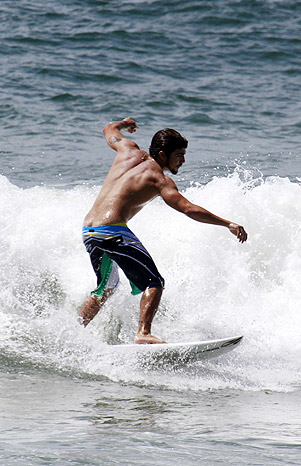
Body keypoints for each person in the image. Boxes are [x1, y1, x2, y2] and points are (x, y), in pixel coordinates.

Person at [78, 117, 248, 344]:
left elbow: (109, 129)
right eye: (179, 156)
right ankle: (143, 333)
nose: (184, 161)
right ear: (161, 155)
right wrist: (227, 223)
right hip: (112, 231)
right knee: (153, 282)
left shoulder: (127, 150)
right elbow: (188, 209)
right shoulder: (159, 180)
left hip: (90, 230)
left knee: (106, 286)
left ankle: (74, 331)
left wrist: (124, 123)